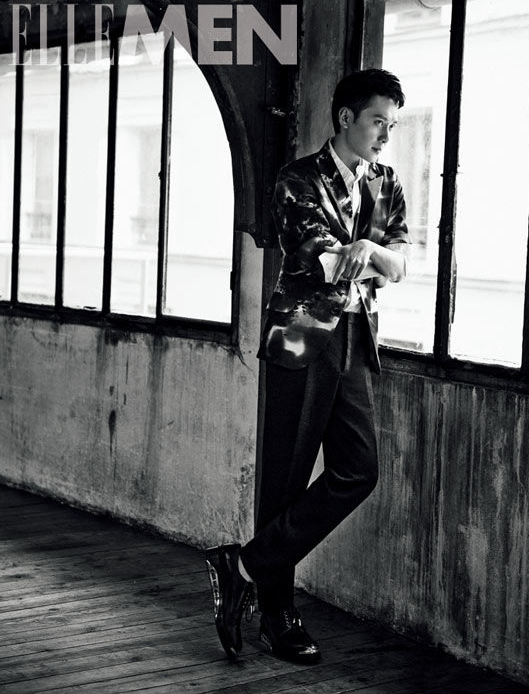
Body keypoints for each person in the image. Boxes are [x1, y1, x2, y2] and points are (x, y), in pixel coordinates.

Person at [205, 68, 410, 664]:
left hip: (355, 341)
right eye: (378, 122)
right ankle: (278, 615)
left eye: (392, 126)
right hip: (299, 342)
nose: (385, 136)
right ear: (346, 117)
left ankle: (242, 566)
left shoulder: (387, 181)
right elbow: (325, 263)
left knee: (359, 470)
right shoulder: (296, 180)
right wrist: (370, 255)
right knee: (285, 481)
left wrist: (370, 251)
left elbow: (400, 265)